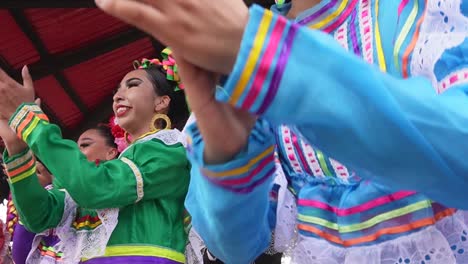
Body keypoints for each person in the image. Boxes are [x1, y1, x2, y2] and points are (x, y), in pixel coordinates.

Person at [94, 0, 468, 263]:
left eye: (133, 84)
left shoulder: (425, 12)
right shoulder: (236, 75)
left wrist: (274, 61)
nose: (119, 95)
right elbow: (234, 247)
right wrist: (229, 161)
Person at [0, 47, 191, 263]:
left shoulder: (168, 150)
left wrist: (28, 121)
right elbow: (38, 216)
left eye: (133, 85)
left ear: (162, 102)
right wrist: (17, 149)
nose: (118, 96)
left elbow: (95, 187)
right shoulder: (114, 170)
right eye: (116, 91)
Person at [10, 124, 119, 264]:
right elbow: (21, 256)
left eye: (85, 145)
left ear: (111, 153)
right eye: (75, 147)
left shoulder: (118, 193)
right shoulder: (63, 198)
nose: (76, 152)